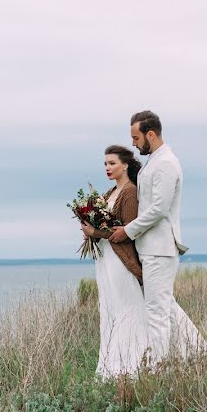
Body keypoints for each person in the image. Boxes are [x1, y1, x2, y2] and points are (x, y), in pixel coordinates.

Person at [108, 110, 206, 365]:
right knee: (166, 308)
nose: (133, 143)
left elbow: (159, 209)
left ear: (151, 134)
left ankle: (159, 368)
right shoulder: (155, 161)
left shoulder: (166, 163)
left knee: (157, 312)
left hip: (160, 249)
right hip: (150, 247)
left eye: (136, 137)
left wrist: (127, 230)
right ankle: (191, 356)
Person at [80, 145, 147, 377]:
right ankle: (112, 366)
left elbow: (127, 234)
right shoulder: (109, 194)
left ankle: (131, 367)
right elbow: (105, 229)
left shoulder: (130, 192)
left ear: (125, 165)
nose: (108, 168)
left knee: (128, 308)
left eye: (112, 163)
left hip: (120, 260)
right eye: (105, 164)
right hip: (106, 259)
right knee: (111, 309)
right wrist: (89, 228)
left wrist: (95, 233)